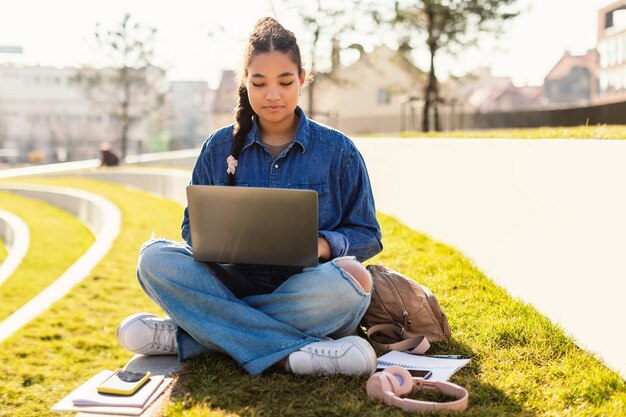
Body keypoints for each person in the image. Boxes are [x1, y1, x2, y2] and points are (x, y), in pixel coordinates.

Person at [116, 17, 383, 376]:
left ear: (302, 78)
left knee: (355, 280)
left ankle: (193, 334)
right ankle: (291, 355)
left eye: (285, 82)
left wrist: (321, 245)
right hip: (231, 282)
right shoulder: (219, 147)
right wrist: (219, 242)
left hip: (306, 288)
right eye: (259, 83)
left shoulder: (339, 151)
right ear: (245, 83)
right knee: (153, 259)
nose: (273, 95)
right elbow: (190, 229)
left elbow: (368, 235)